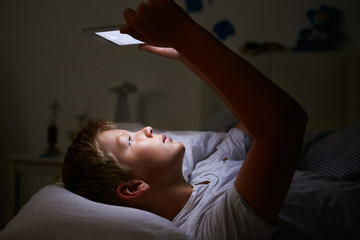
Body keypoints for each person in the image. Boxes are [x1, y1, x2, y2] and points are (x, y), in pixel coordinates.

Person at [62, 0, 308, 239]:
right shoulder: (210, 228)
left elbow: (251, 122)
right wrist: (185, 33)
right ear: (133, 188)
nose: (146, 129)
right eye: (129, 140)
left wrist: (186, 55)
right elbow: (283, 125)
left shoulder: (204, 170)